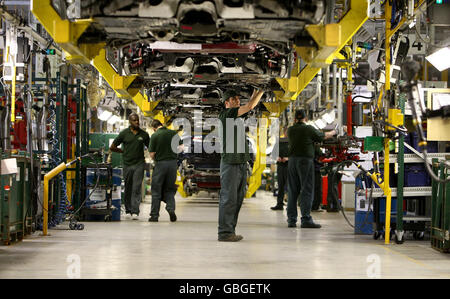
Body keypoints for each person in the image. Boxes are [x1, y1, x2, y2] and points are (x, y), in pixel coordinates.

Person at [218, 88, 264, 242]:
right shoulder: (226, 115)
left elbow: (249, 105)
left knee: (237, 199)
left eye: (237, 98)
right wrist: (262, 91)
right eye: (233, 99)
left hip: (239, 163)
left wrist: (256, 92)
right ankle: (224, 232)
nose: (237, 101)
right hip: (230, 163)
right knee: (228, 199)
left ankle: (230, 230)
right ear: (226, 103)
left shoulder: (236, 117)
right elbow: (250, 106)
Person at [286, 109, 336, 228]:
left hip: (292, 161)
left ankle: (291, 220)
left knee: (293, 191)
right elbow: (323, 136)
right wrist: (334, 132)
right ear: (306, 118)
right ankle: (306, 219)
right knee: (306, 189)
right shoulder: (308, 129)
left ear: (294, 119)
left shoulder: (290, 130)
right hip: (305, 161)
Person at [110, 113, 150, 220]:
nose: (136, 122)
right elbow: (112, 147)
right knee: (128, 187)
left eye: (137, 120)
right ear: (130, 122)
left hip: (139, 164)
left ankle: (135, 211)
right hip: (127, 164)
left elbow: (150, 147)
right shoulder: (124, 134)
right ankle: (128, 209)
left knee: (136, 187)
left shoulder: (144, 134)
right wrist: (122, 151)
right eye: (134, 120)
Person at [148, 119, 180, 222]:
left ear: (154, 128)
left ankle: (154, 216)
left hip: (161, 164)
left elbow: (152, 154)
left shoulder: (155, 135)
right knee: (170, 189)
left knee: (156, 190)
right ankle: (170, 208)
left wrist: (157, 158)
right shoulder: (173, 133)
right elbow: (181, 148)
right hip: (172, 164)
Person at [271, 133, 289, 210]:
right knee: (280, 185)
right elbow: (273, 154)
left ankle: (290, 205)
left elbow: (297, 154)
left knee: (290, 186)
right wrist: (277, 157)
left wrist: (288, 158)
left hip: (290, 166)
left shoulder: (294, 142)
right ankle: (279, 204)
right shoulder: (279, 142)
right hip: (281, 166)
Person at [311, 144, 325, 212]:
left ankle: (311, 206)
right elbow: (321, 155)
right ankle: (315, 206)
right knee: (317, 188)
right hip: (315, 169)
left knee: (310, 188)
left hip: (309, 169)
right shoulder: (315, 146)